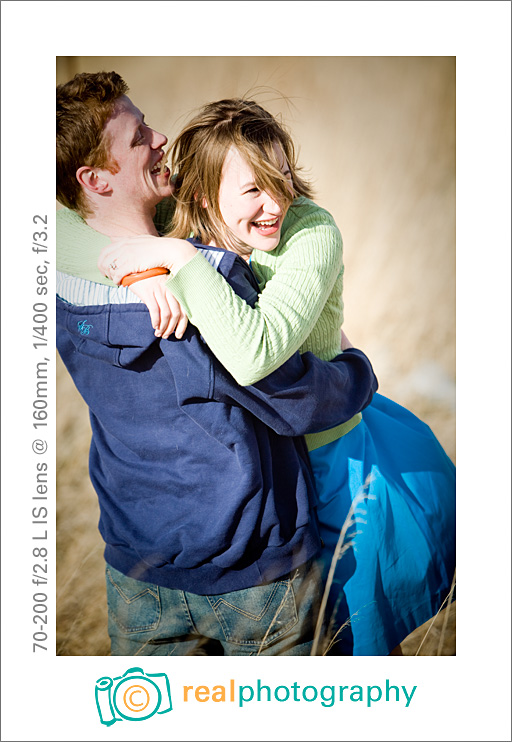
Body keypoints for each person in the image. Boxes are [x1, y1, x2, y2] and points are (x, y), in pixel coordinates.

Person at [85, 98, 456, 656]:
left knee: (354, 650)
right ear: (207, 195)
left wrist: (175, 260)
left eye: (280, 179)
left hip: (332, 467)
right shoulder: (180, 224)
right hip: (255, 488)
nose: (275, 203)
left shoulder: (310, 232)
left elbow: (255, 353)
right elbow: (66, 219)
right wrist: (131, 265)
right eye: (253, 188)